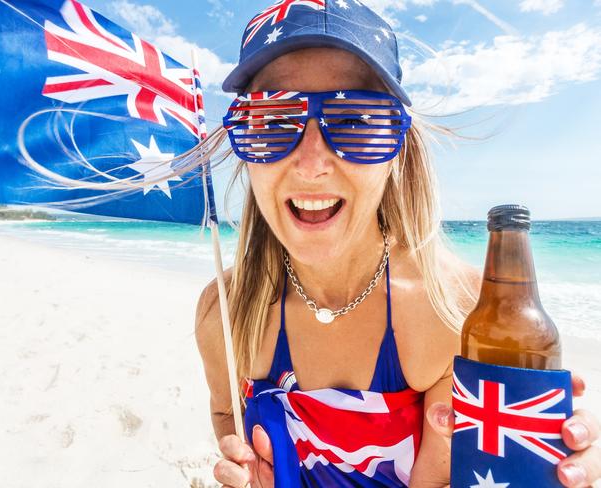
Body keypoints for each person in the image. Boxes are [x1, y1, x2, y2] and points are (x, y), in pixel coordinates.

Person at [195, 2, 601, 487]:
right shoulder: (224, 313)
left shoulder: (456, 317)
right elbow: (225, 413)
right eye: (274, 118)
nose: (311, 163)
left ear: (397, 149)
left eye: (355, 119)